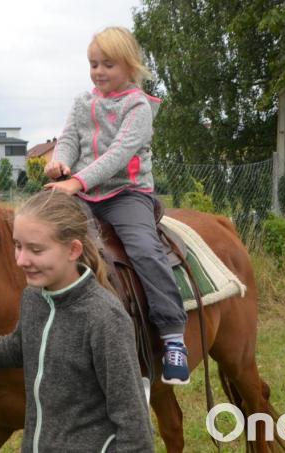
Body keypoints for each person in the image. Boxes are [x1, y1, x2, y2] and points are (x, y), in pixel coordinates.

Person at [0, 190, 155, 452]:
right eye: (18, 246)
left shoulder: (105, 318)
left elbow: (133, 422)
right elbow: (18, 347)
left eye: (36, 250)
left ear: (73, 249)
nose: (21, 260)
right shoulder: (33, 298)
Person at [42, 26, 190, 385]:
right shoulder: (83, 102)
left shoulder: (137, 106)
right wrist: (59, 163)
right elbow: (69, 140)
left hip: (127, 193)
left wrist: (75, 182)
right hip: (83, 194)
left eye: (108, 64)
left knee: (144, 250)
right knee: (52, 242)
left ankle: (173, 335)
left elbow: (119, 155)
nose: (98, 72)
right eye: (93, 64)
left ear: (129, 66)